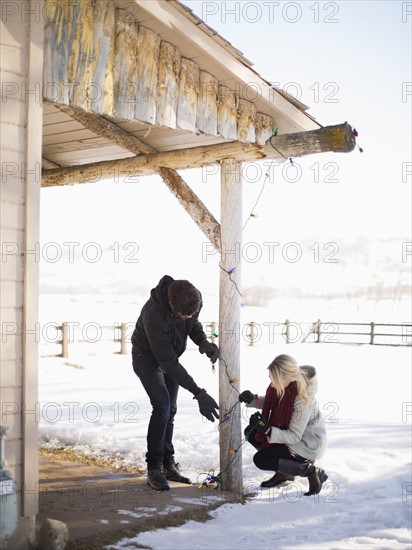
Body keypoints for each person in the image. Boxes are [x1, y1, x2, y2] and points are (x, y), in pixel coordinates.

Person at [131, 275, 220, 491]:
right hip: (147, 358)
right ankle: (154, 468)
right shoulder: (153, 315)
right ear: (171, 304)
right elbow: (168, 363)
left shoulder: (192, 299)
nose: (189, 316)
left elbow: (193, 324)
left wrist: (203, 342)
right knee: (161, 405)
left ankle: (168, 464)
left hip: (170, 357)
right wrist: (199, 393)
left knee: (170, 409)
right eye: (184, 315)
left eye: (192, 312)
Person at [239, 354, 328, 495]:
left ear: (286, 378)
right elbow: (275, 402)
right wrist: (253, 400)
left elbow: (294, 437)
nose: (272, 384)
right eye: (270, 379)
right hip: (293, 437)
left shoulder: (303, 399)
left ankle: (312, 471)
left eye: (274, 380)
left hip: (307, 444)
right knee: (252, 432)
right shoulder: (288, 384)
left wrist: (268, 430)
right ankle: (284, 473)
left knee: (262, 459)